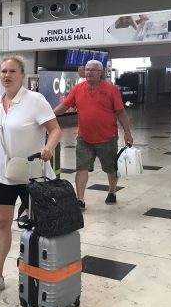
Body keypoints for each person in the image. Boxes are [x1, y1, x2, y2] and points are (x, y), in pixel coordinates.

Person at [0, 56, 62, 295]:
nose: (6, 75)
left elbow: (55, 129)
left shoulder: (35, 100)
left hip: (31, 173)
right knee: (3, 222)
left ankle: (42, 274)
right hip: (0, 173)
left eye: (12, 71)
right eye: (3, 71)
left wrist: (49, 147)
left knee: (38, 224)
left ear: (22, 74)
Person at [54, 59, 133, 208]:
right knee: (81, 168)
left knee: (111, 168)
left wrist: (127, 132)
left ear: (101, 73)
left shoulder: (111, 89)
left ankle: (112, 191)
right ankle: (80, 199)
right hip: (84, 138)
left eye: (93, 70)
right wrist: (49, 115)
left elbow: (121, 112)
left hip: (107, 138)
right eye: (87, 69)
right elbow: (64, 106)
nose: (89, 72)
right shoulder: (78, 88)